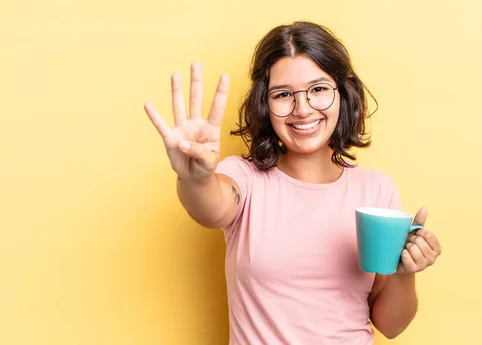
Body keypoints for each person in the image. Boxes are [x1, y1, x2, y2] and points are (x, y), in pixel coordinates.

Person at [144, 21, 441, 345]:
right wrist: (195, 177)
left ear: (342, 92)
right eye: (283, 94)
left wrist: (405, 271)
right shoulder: (245, 177)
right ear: (264, 104)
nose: (302, 109)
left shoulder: (377, 190)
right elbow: (210, 207)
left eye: (318, 89)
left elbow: (390, 324)